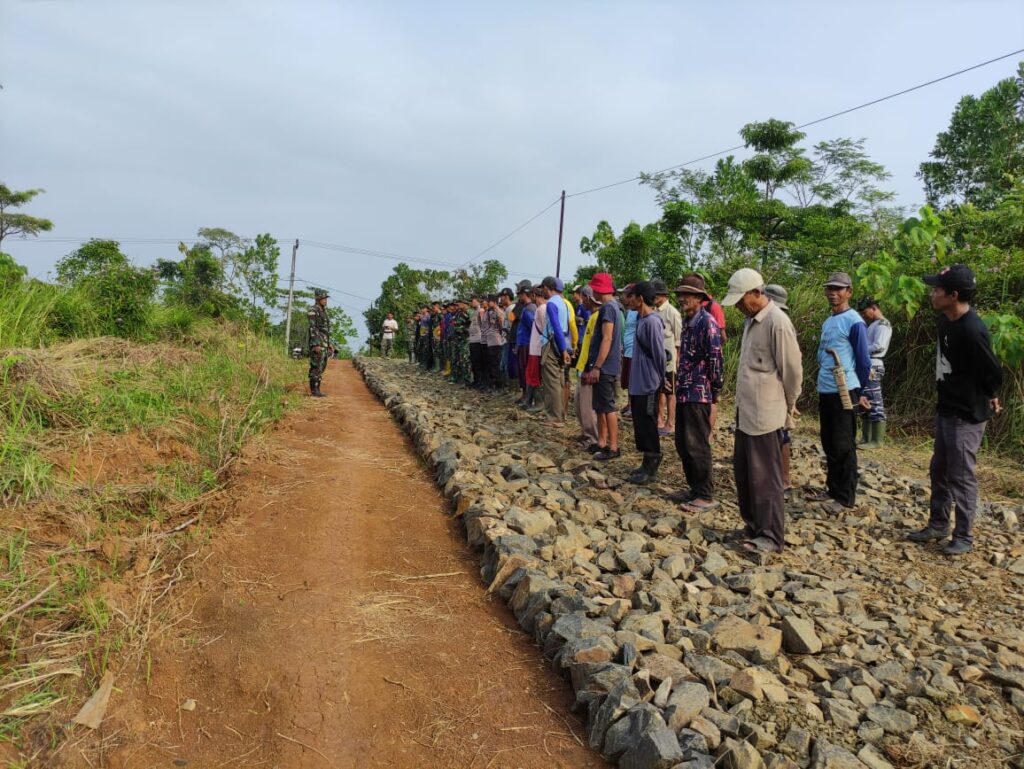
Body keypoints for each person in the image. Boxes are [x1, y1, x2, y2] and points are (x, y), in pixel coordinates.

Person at [908, 264, 1003, 556]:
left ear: (954, 294)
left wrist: (990, 395)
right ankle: (938, 524)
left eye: (937, 289)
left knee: (961, 475)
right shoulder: (946, 321)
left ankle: (964, 536)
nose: (932, 294)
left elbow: (993, 371)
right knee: (939, 468)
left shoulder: (973, 330)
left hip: (967, 414)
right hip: (947, 407)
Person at [721, 268, 803, 553]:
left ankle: (770, 535)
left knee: (766, 478)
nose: (740, 307)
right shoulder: (750, 322)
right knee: (745, 474)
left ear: (757, 293)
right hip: (747, 413)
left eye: (742, 300)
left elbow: (792, 370)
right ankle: (753, 526)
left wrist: (789, 407)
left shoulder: (777, 322)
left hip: (767, 414)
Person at [806, 272, 871, 510]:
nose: (833, 293)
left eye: (838, 289)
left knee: (844, 443)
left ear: (848, 292)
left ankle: (845, 497)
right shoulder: (828, 320)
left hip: (845, 388)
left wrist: (861, 391)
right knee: (829, 441)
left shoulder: (854, 321)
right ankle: (833, 489)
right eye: (829, 288)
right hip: (826, 388)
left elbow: (864, 360)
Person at [671, 276, 724, 511]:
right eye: (680, 294)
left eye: (688, 295)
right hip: (684, 389)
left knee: (697, 444)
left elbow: (715, 358)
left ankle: (705, 494)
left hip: (699, 391)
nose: (682, 299)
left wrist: (716, 389)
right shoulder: (688, 320)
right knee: (682, 443)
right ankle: (694, 488)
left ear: (700, 298)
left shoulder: (707, 323)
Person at [625, 281, 665, 483]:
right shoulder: (641, 320)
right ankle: (645, 464)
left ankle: (651, 467)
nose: (629, 299)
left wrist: (661, 380)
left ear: (640, 298)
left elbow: (659, 354)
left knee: (648, 424)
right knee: (640, 423)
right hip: (639, 381)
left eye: (632, 296)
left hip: (649, 382)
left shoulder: (652, 322)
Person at [581, 272, 622, 460]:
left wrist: (597, 366)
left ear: (598, 290)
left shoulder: (607, 308)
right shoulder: (612, 307)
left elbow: (607, 337)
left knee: (607, 407)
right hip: (606, 365)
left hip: (605, 367)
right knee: (600, 407)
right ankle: (602, 442)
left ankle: (613, 447)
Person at [765, 285, 796, 494]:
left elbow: (789, 366)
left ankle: (784, 479)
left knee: (781, 434)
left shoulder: (780, 323)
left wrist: (791, 399)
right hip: (776, 389)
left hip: (778, 389)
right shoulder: (776, 321)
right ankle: (779, 477)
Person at [856, 297, 892, 449]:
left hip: (874, 365)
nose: (864, 315)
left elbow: (879, 346)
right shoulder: (873, 325)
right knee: (865, 399)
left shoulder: (883, 325)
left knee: (874, 399)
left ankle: (877, 440)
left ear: (874, 308)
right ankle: (866, 437)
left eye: (865, 312)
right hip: (867, 365)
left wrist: (860, 349)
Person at [652, 280, 682, 437]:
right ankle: (659, 420)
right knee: (659, 390)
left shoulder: (672, 312)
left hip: (670, 360)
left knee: (670, 392)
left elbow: (679, 338)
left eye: (656, 295)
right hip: (658, 359)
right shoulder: (655, 311)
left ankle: (671, 423)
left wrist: (677, 359)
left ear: (662, 296)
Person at [540, 276, 572, 424]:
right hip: (561, 344)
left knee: (551, 381)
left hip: (552, 344)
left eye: (543, 288)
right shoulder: (564, 303)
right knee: (558, 380)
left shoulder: (551, 303)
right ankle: (560, 414)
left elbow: (556, 327)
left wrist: (563, 349)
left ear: (548, 287)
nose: (542, 291)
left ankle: (554, 417)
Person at [574, 286, 602, 452]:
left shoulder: (597, 317)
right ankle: (586, 433)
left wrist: (590, 367)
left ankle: (592, 437)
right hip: (582, 366)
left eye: (584, 297)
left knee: (587, 406)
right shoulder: (592, 317)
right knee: (579, 404)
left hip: (587, 367)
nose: (582, 300)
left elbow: (595, 347)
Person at [525, 286, 548, 412]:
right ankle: (530, 401)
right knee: (531, 373)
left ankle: (538, 402)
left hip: (538, 347)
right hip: (534, 347)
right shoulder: (540, 309)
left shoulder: (542, 309)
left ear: (534, 295)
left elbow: (546, 329)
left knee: (535, 375)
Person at [307, 288, 332, 397]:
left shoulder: (323, 311)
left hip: (324, 342)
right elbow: (313, 328)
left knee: (322, 365)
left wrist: (329, 343)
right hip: (317, 343)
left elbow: (325, 329)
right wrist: (316, 344)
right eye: (323, 298)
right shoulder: (313, 310)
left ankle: (317, 388)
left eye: (326, 298)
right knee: (316, 366)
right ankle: (314, 390)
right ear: (317, 298)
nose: (325, 300)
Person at [515, 283, 537, 407]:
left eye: (520, 294)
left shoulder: (529, 309)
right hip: (523, 343)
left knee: (525, 371)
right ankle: (524, 395)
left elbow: (532, 327)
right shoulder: (527, 307)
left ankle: (528, 397)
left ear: (525, 295)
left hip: (526, 343)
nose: (519, 297)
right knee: (522, 370)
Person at [620, 284, 638, 418]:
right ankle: (629, 403)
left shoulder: (638, 312)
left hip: (634, 351)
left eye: (626, 295)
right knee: (628, 381)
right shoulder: (629, 311)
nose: (623, 298)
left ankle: (633, 407)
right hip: (627, 350)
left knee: (633, 381)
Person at [483, 294, 506, 391]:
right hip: (490, 341)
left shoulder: (498, 312)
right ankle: (492, 385)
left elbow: (502, 326)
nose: (488, 303)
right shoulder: (490, 312)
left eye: (489, 301)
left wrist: (501, 338)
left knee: (496, 364)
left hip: (497, 341)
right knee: (491, 364)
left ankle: (499, 386)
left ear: (494, 301)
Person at [468, 296, 485, 388]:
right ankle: (475, 380)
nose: (471, 302)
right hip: (472, 339)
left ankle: (480, 381)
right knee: (474, 361)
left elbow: (483, 325)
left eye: (473, 301)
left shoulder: (481, 311)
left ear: (478, 301)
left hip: (478, 339)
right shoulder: (473, 312)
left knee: (478, 362)